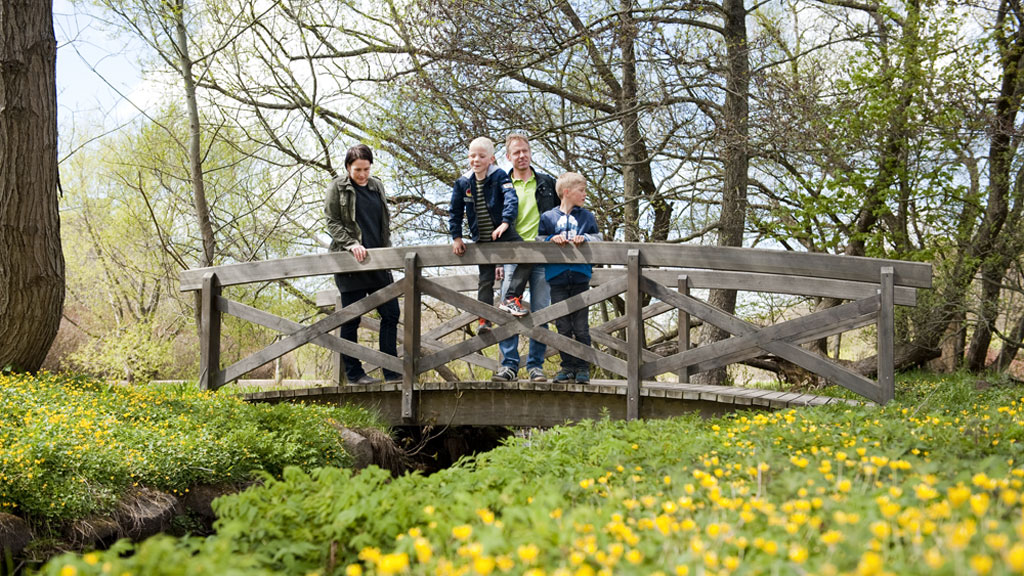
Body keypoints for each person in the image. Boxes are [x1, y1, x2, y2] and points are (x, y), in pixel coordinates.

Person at [325, 144, 400, 385]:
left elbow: (382, 223)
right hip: (351, 264)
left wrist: (387, 251)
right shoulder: (337, 187)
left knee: (391, 313)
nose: (362, 174)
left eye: (366, 169)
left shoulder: (376, 186)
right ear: (348, 167)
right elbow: (333, 222)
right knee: (351, 318)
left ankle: (391, 371)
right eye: (357, 170)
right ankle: (355, 374)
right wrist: (351, 244)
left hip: (378, 262)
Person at [449, 137, 534, 334]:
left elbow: (511, 199)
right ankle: (483, 320)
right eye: (472, 156)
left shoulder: (499, 176)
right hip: (482, 238)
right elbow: (455, 210)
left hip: (503, 232)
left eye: (481, 156)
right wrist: (457, 237)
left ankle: (512, 297)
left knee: (528, 256)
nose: (476, 160)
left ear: (492, 159)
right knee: (485, 279)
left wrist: (505, 222)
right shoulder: (463, 182)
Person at [494, 133, 559, 382]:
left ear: (530, 152)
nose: (522, 155)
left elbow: (561, 216)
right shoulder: (501, 185)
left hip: (543, 256)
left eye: (525, 151)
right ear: (508, 157)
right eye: (516, 152)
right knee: (509, 311)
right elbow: (495, 222)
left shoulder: (546, 183)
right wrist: (498, 260)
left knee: (542, 311)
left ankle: (535, 366)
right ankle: (509, 365)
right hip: (513, 255)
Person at [537, 172, 600, 384]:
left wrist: (587, 238)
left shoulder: (586, 217)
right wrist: (550, 239)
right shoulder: (548, 217)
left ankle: (583, 367)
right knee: (562, 325)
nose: (584, 194)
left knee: (581, 326)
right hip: (557, 278)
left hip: (581, 276)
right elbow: (538, 241)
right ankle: (567, 367)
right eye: (581, 190)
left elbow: (599, 238)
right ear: (566, 192)